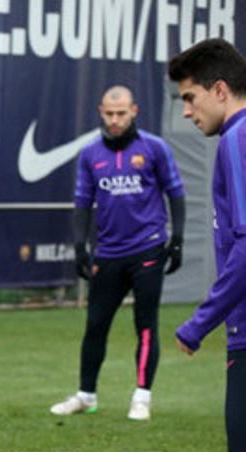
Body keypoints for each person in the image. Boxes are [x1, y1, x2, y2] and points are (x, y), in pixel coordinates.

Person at [167, 38, 246, 452]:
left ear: (220, 90)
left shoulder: (239, 139)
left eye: (190, 98)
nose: (187, 112)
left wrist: (200, 321)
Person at [49, 85, 186, 421]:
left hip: (148, 249)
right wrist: (81, 246)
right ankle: (86, 395)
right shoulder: (90, 154)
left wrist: (178, 239)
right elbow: (82, 203)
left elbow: (176, 193)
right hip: (108, 252)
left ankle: (142, 396)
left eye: (121, 113)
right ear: (100, 111)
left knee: (145, 325)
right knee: (95, 325)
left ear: (134, 111)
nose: (114, 120)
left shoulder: (154, 148)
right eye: (109, 114)